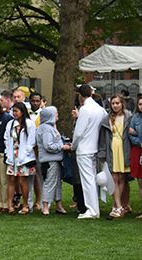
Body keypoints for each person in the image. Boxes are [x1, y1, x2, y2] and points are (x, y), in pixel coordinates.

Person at [71, 84, 107, 219]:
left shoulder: (85, 109)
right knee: (91, 179)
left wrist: (73, 146)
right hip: (94, 148)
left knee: (88, 181)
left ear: (80, 95)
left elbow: (79, 133)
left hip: (84, 149)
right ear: (91, 94)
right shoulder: (99, 108)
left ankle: (91, 210)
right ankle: (93, 208)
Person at [99, 94, 133, 219]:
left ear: (122, 103)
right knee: (113, 179)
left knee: (122, 178)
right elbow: (102, 140)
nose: (115, 106)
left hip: (124, 149)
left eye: (117, 103)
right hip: (111, 149)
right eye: (113, 103)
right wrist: (102, 154)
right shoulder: (106, 119)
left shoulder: (129, 117)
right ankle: (118, 206)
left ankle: (118, 206)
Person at [36, 106, 71, 215]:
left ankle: (59, 206)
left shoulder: (49, 127)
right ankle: (45, 208)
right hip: (50, 161)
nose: (57, 116)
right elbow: (48, 145)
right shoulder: (46, 128)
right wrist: (62, 147)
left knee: (57, 184)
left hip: (53, 160)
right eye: (55, 113)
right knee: (49, 183)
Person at [4, 102, 37, 214]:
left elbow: (31, 141)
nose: (14, 113)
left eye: (16, 111)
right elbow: (6, 139)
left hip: (24, 157)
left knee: (23, 181)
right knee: (12, 180)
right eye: (13, 111)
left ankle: (26, 205)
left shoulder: (29, 124)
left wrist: (26, 153)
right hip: (12, 156)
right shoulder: (10, 124)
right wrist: (7, 153)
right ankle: (10, 205)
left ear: (22, 112)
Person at [128, 96, 142, 219]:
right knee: (140, 181)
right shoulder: (135, 118)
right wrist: (140, 141)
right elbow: (130, 134)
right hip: (138, 150)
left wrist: (136, 133)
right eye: (140, 104)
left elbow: (134, 132)